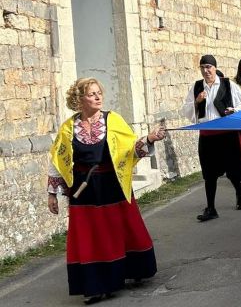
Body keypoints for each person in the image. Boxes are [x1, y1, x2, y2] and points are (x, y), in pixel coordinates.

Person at [47, 77, 164, 304]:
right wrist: (52, 193)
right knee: (90, 237)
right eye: (92, 94)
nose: (98, 97)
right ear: (80, 99)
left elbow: (131, 149)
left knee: (119, 229)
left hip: (112, 185)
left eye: (99, 92)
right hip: (83, 190)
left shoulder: (114, 120)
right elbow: (57, 160)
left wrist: (149, 138)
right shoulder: (69, 127)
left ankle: (131, 269)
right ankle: (96, 285)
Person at [181, 55, 241, 221]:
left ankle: (239, 194)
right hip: (207, 137)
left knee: (232, 170)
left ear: (214, 67)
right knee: (209, 174)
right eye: (203, 67)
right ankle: (211, 208)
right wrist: (197, 102)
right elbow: (186, 111)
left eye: (209, 67)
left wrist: (233, 110)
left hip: (226, 135)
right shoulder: (197, 87)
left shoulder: (228, 84)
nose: (206, 71)